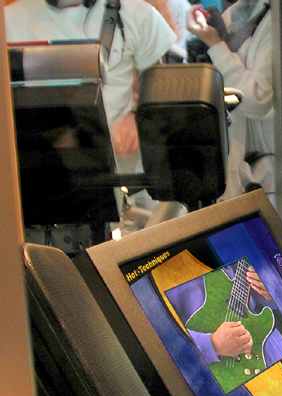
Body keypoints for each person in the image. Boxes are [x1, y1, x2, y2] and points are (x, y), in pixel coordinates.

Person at [5, 0, 177, 231]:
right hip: (38, 180)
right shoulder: (9, 20)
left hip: (120, 179)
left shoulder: (136, 14)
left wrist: (137, 116)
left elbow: (163, 85)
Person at [185, 0, 274, 202]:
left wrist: (215, 45)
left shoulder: (277, 21)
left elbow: (257, 99)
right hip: (231, 162)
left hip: (269, 168)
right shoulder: (233, 14)